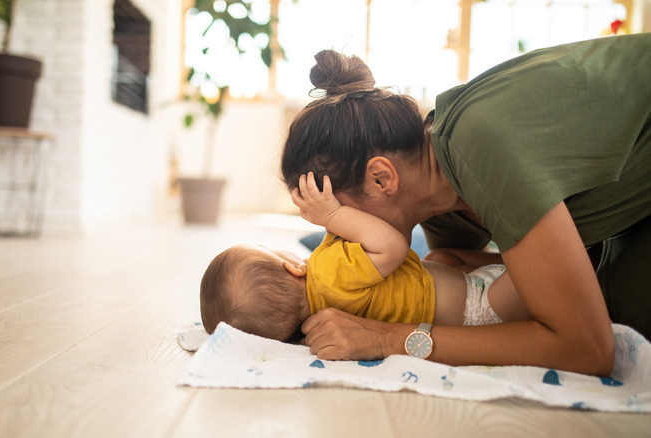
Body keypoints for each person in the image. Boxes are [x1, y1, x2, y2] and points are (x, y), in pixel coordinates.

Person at [279, 33, 650, 376]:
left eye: (336, 217)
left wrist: (387, 338)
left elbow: (588, 350)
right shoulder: (437, 203)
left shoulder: (480, 147)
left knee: (615, 306)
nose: (338, 234)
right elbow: (465, 306)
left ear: (382, 178)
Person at [200, 172, 529, 343]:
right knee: (531, 271)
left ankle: (501, 266)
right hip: (480, 306)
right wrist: (332, 215)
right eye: (269, 249)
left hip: (452, 298)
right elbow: (392, 247)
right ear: (293, 266)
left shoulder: (315, 322)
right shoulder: (328, 272)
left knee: (440, 256)